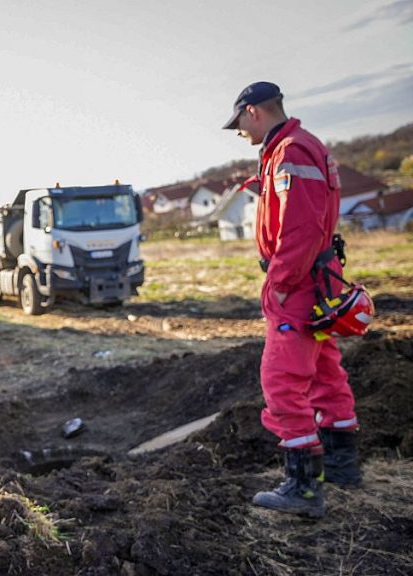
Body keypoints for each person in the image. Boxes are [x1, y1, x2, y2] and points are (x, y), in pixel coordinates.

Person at [223, 81, 360, 518]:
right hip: (319, 277)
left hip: (299, 283)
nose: (239, 131)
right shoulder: (300, 146)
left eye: (239, 122)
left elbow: (300, 228)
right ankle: (341, 466)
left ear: (253, 111)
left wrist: (278, 283)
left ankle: (302, 489)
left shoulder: (291, 153)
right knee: (324, 372)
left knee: (281, 381)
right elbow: (306, 210)